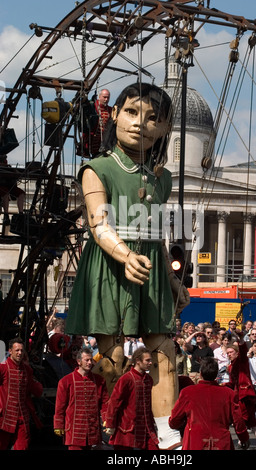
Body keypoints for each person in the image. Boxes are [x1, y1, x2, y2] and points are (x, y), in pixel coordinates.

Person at [66, 82, 190, 417]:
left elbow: (158, 233)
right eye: (132, 112)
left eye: (152, 118)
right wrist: (125, 255)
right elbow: (98, 223)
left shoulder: (162, 179)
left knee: (164, 352)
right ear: (116, 114)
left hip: (149, 265)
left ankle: (165, 433)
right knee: (114, 359)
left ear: (163, 128)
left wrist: (171, 277)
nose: (139, 123)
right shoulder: (98, 168)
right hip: (109, 266)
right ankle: (110, 423)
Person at [168, 357, 250, 450]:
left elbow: (175, 420)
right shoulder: (228, 393)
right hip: (221, 441)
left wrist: (177, 424)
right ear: (216, 374)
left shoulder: (188, 392)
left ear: (200, 373)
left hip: (195, 441)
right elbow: (238, 420)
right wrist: (244, 438)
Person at [53, 347, 109, 450]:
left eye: (90, 360)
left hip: (93, 431)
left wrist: (106, 418)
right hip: (74, 432)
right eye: (86, 360)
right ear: (79, 361)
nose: (89, 363)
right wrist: (58, 424)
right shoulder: (66, 381)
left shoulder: (99, 380)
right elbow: (60, 406)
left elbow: (105, 403)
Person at [103, 347, 159, 450]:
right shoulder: (126, 379)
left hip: (145, 427)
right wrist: (110, 423)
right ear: (137, 361)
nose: (150, 363)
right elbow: (114, 402)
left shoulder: (148, 380)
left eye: (150, 360)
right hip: (126, 428)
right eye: (147, 360)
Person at [0, 337, 43, 450]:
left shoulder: (27, 370)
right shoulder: (3, 368)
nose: (19, 353)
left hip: (21, 416)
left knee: (22, 446)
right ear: (10, 351)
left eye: (21, 350)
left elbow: (36, 390)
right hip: (4, 416)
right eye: (17, 350)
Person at [226, 334, 256, 449]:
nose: (229, 354)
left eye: (231, 352)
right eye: (227, 353)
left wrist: (241, 339)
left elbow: (243, 350)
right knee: (251, 419)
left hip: (246, 395)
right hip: (238, 395)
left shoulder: (242, 360)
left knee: (242, 418)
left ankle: (242, 441)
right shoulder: (230, 367)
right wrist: (221, 385)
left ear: (236, 352)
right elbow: (232, 383)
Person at [0, 154, 25, 226]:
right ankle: (6, 215)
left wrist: (15, 171)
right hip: (1, 186)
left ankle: (21, 214)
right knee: (6, 193)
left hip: (10, 185)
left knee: (21, 193)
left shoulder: (6, 165)